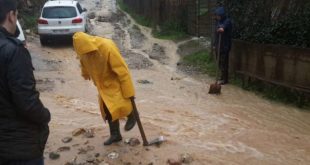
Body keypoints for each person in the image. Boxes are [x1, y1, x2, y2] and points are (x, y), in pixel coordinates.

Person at [0, 0, 51, 164]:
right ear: (11, 16)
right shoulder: (14, 51)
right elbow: (27, 103)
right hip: (19, 148)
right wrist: (45, 116)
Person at [73, 32, 136, 145]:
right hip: (101, 85)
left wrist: (129, 91)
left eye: (89, 52)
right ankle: (115, 135)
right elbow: (83, 62)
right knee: (108, 110)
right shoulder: (83, 52)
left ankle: (133, 115)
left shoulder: (107, 46)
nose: (87, 54)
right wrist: (85, 73)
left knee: (122, 103)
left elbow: (123, 71)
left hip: (113, 80)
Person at [214, 6, 232, 85]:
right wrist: (214, 45)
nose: (217, 17)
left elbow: (223, 27)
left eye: (218, 15)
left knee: (224, 62)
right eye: (216, 15)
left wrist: (221, 28)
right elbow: (216, 32)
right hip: (218, 45)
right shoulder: (218, 22)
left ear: (222, 15)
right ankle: (221, 77)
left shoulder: (227, 21)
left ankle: (225, 79)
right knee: (219, 62)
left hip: (225, 46)